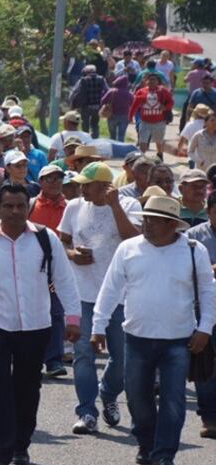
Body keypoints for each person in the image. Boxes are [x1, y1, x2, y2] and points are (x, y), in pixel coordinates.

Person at [0, 182, 82, 465]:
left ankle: (20, 444)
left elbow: (64, 279)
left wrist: (73, 318)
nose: (14, 211)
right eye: (8, 206)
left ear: (28, 207)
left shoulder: (45, 239)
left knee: (27, 388)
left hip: (36, 325)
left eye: (20, 206)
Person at [92, 195, 216, 465]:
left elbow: (208, 293)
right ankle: (146, 444)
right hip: (136, 338)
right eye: (145, 219)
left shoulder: (193, 250)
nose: (146, 224)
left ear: (172, 224)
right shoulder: (128, 248)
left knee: (174, 400)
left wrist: (205, 329)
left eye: (154, 220)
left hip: (179, 340)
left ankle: (164, 455)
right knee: (138, 398)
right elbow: (110, 289)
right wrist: (98, 326)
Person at [56, 163, 141, 435]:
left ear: (106, 187)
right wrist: (72, 255)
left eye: (87, 184)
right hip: (81, 294)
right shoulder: (74, 206)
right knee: (83, 355)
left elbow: (135, 239)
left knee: (123, 358)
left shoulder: (128, 205)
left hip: (119, 297)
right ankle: (86, 412)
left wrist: (115, 206)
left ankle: (108, 392)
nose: (81, 189)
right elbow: (62, 241)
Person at [184, 191, 216, 438]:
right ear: (208, 212)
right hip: (204, 309)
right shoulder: (194, 237)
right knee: (206, 365)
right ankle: (209, 417)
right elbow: (185, 270)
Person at [129, 73, 174, 159]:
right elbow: (134, 105)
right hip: (145, 122)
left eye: (154, 80)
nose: (152, 81)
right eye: (150, 79)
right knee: (143, 143)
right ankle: (140, 159)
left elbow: (171, 102)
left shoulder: (163, 91)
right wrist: (130, 117)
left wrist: (165, 107)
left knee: (159, 142)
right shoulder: (141, 91)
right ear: (146, 81)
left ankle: (160, 154)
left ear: (157, 82)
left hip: (159, 122)